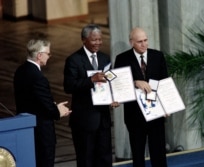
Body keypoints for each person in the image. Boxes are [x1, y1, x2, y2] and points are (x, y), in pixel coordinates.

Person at [63, 24, 119, 167]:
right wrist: (91, 80)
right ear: (84, 40)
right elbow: (68, 86)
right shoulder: (74, 60)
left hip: (103, 120)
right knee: (86, 160)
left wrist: (114, 97)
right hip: (84, 121)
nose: (98, 43)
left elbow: (111, 81)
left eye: (100, 39)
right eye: (94, 40)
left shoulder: (105, 58)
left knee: (105, 158)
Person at [114, 27, 168, 167]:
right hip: (135, 116)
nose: (144, 44)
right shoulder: (122, 59)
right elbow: (118, 86)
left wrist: (167, 105)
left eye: (146, 40)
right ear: (131, 42)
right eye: (139, 42)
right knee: (138, 156)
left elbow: (164, 82)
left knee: (159, 154)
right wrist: (134, 82)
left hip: (156, 114)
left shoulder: (157, 56)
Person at [13, 39, 72, 167]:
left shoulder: (20, 71)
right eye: (48, 54)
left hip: (25, 130)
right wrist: (58, 110)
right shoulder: (38, 77)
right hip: (41, 133)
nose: (49, 56)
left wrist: (53, 106)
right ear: (39, 55)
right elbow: (47, 106)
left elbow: (33, 101)